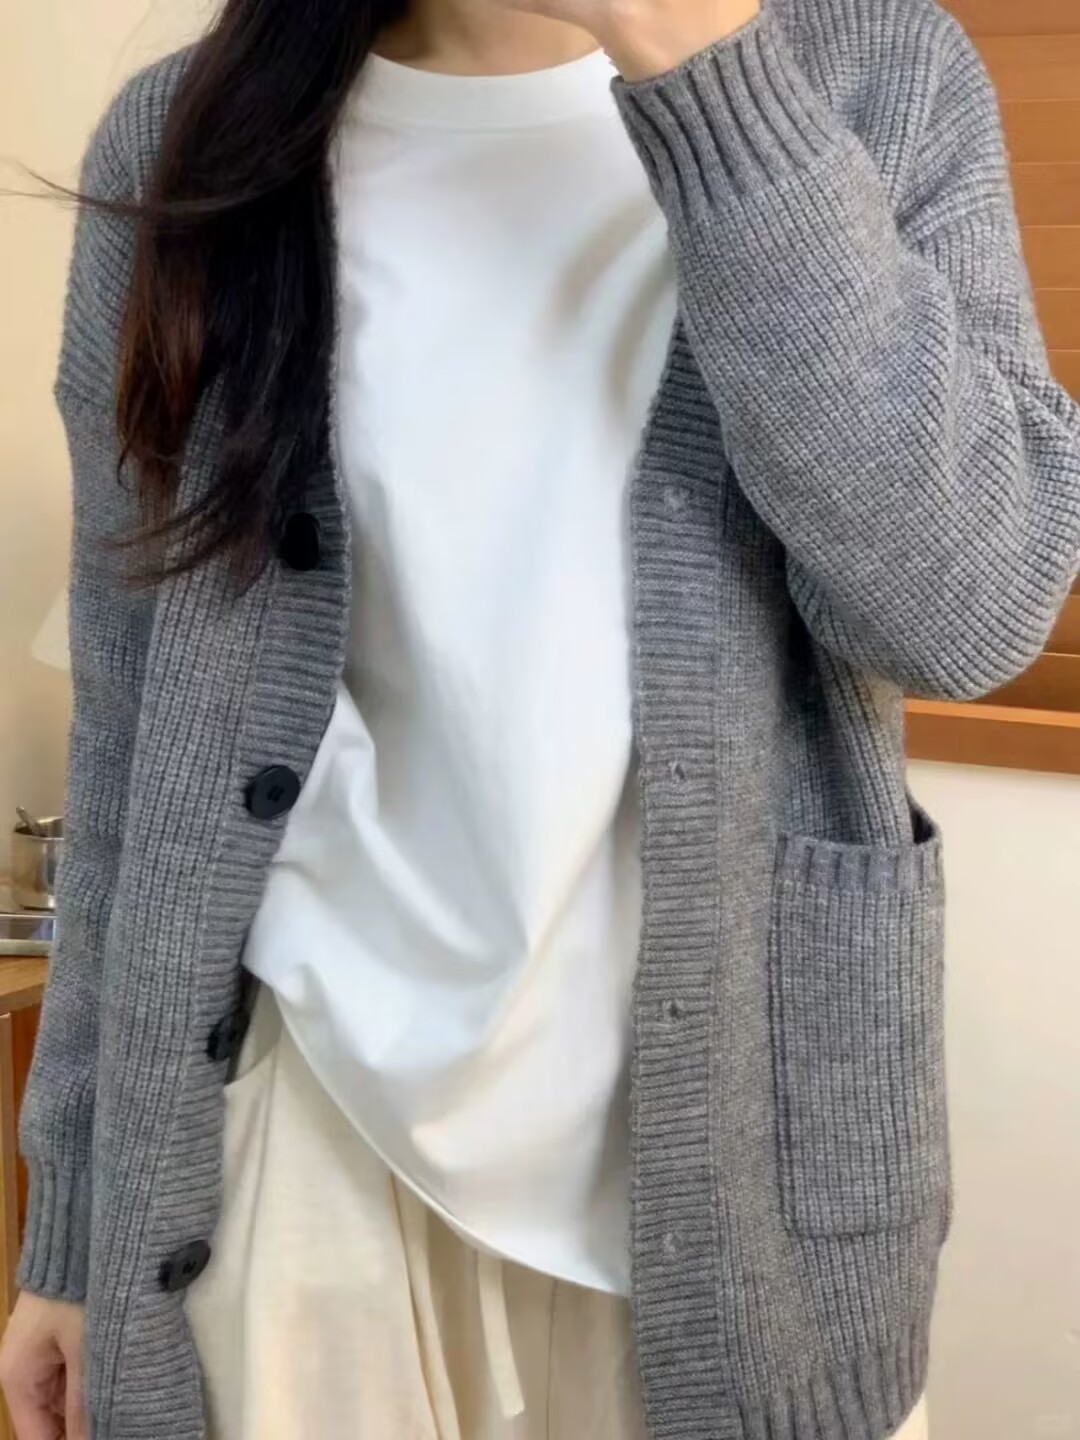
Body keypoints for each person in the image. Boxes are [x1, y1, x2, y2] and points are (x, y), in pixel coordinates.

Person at [3, 0, 1080, 1434]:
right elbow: (134, 721)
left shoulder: (881, 75)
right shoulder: (185, 131)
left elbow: (966, 612)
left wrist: (705, 70)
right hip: (299, 1144)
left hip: (743, 1168)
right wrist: (73, 1224)